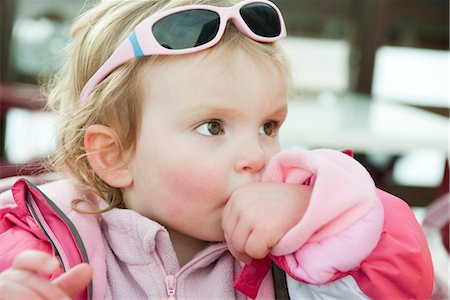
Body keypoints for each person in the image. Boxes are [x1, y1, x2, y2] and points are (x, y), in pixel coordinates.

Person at [0, 0, 433, 299]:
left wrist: (321, 213)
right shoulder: (39, 245)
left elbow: (403, 284)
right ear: (115, 155)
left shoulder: (294, 253)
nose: (258, 157)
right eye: (213, 127)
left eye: (268, 126)